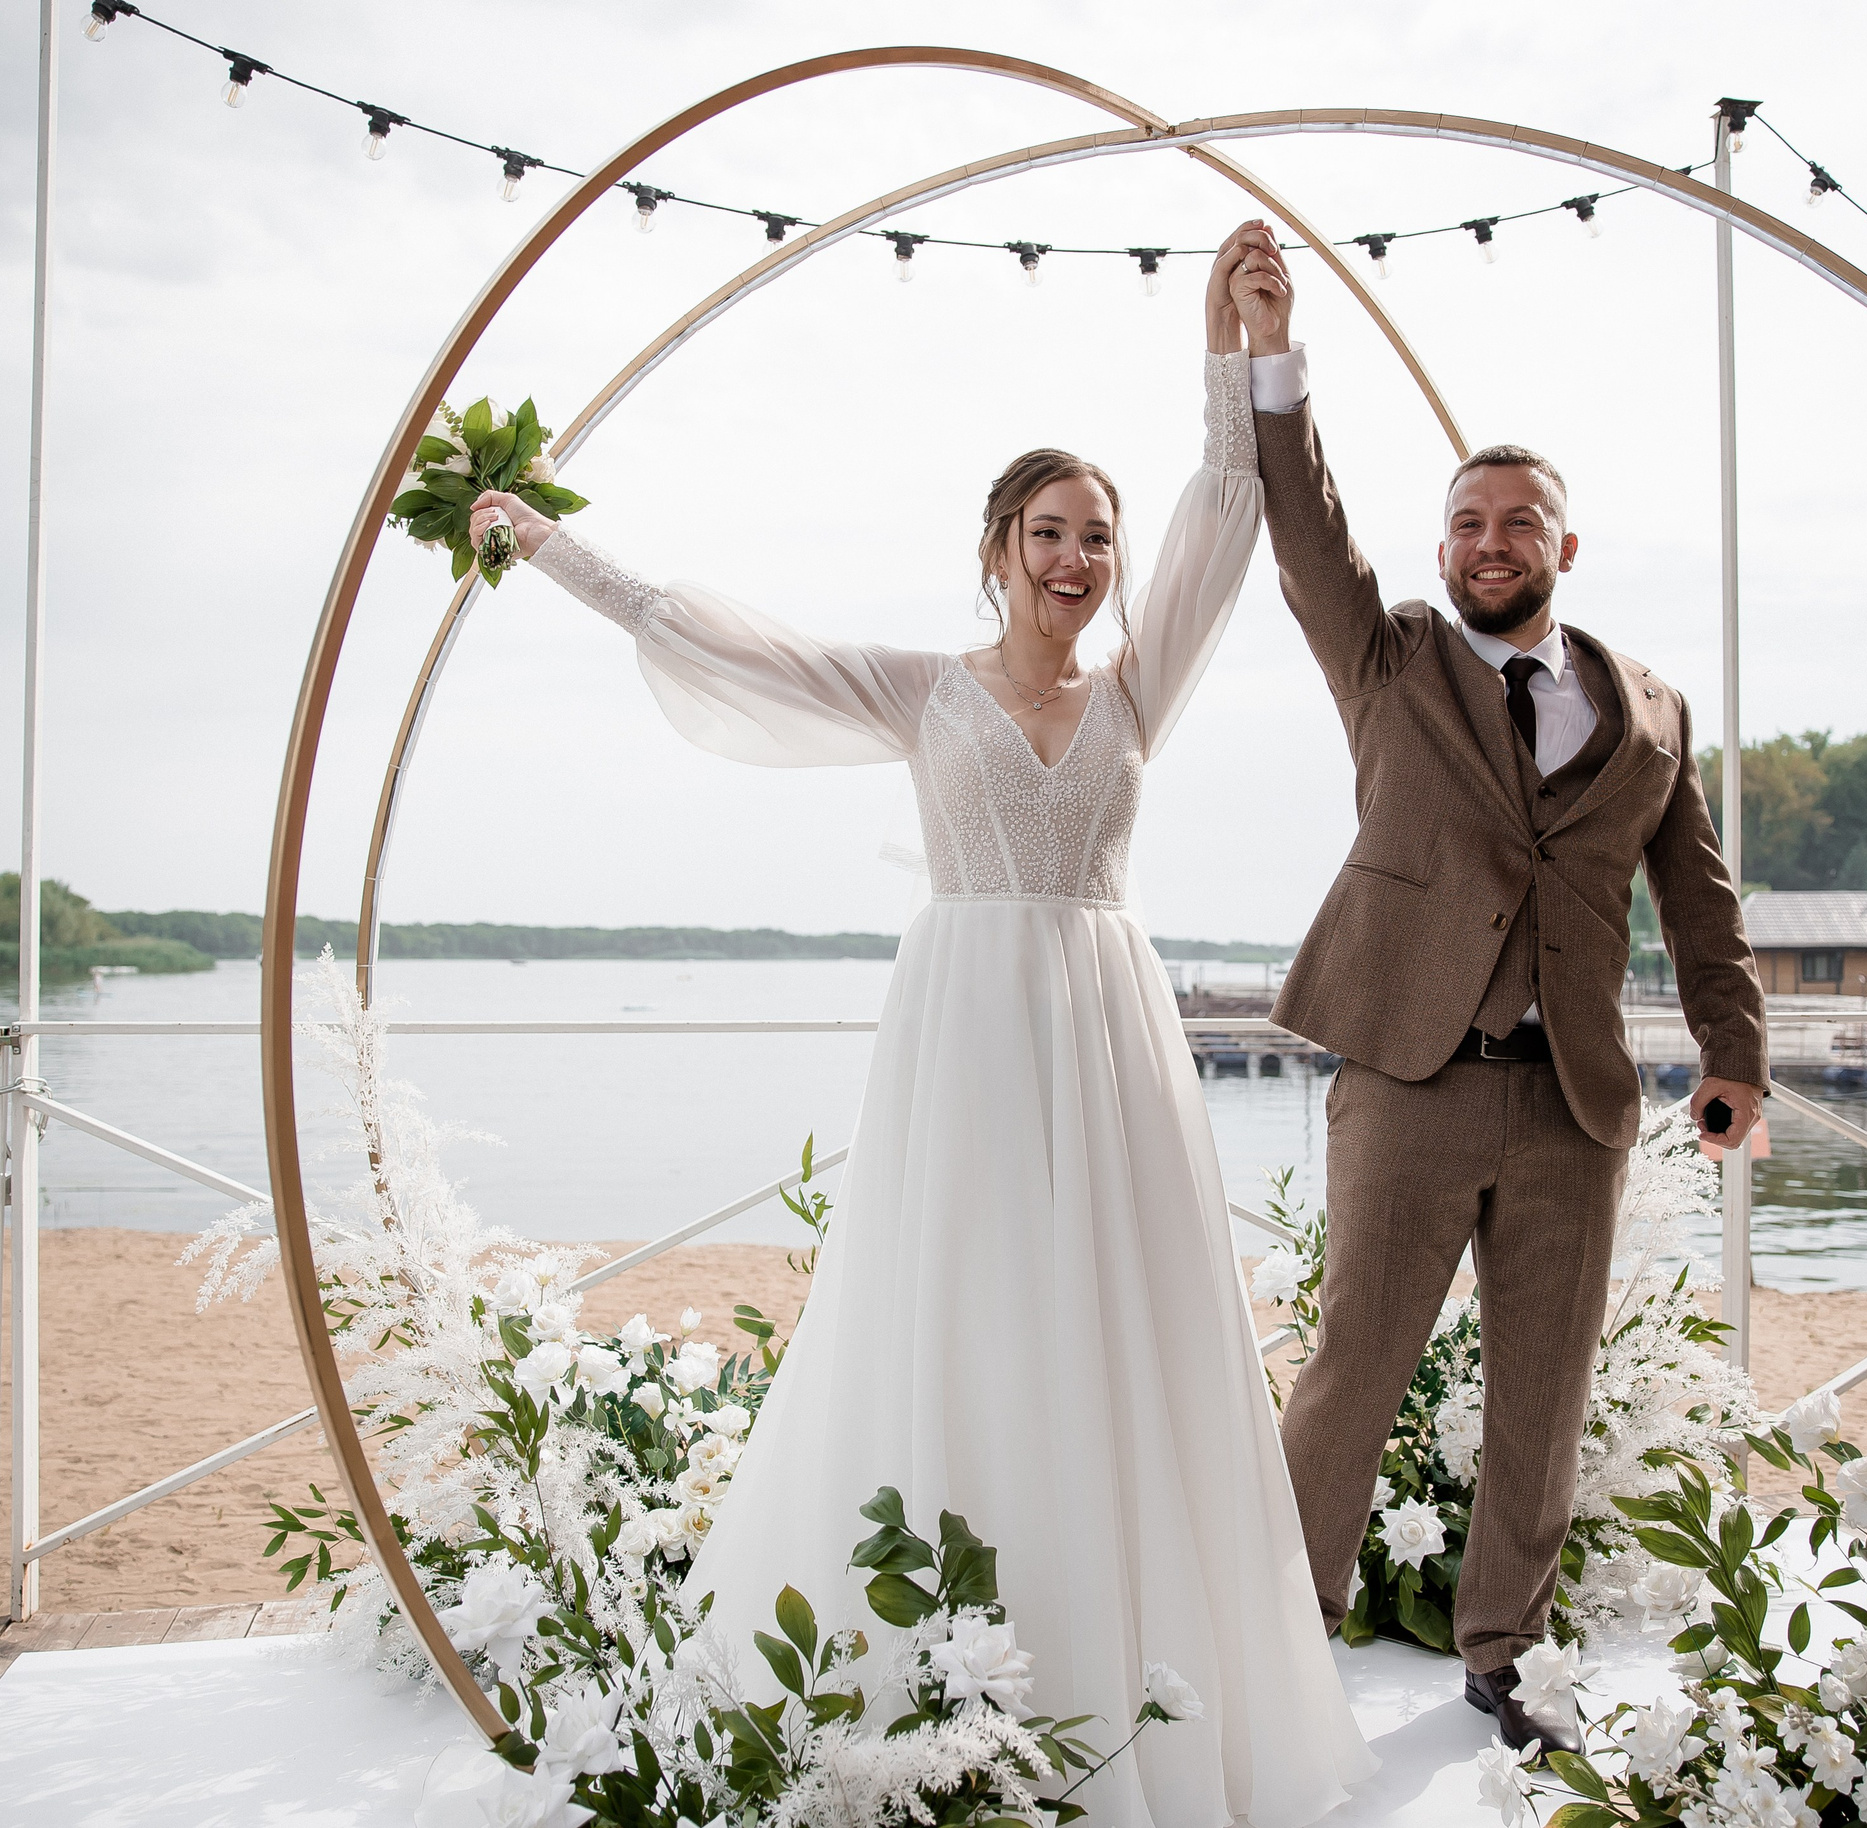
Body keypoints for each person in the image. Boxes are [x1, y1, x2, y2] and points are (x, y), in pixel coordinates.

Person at [466, 246, 1376, 1828]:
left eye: (1096, 537)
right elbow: (731, 644)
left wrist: (1233, 343)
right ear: (996, 551)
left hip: (1109, 1044)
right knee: (957, 1315)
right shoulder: (918, 690)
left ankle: (1128, 1684)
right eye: (1051, 535)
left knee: (1124, 1324)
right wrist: (556, 552)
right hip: (964, 1039)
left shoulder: (1139, 691)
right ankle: (933, 1664)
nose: (1080, 559)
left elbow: (1225, 516)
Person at [1217, 221, 1768, 1760]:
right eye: (1467, 520)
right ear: (1444, 541)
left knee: (1546, 1396)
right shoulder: (1389, 659)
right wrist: (1274, 354)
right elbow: (1306, 524)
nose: (1490, 541)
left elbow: (1700, 902)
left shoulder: (1648, 707)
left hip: (1575, 1104)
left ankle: (1505, 1654)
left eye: (1520, 521)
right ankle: (1277, 1634)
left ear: (1562, 547)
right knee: (1353, 1372)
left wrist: (1738, 1056)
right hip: (1408, 1078)